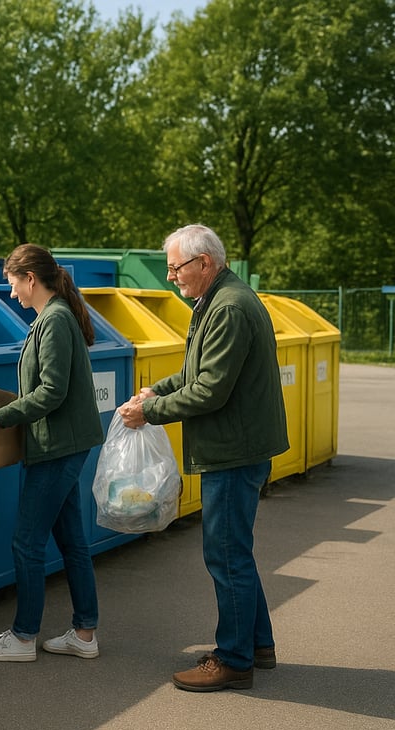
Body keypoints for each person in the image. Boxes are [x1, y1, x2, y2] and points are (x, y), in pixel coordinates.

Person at [118, 223, 287, 692]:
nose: (170, 277)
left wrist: (149, 412)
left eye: (175, 268)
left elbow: (210, 390)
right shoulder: (219, 300)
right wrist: (159, 389)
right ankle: (258, 645)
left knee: (226, 555)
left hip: (233, 452)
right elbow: (198, 371)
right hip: (237, 445)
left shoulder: (228, 307)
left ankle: (233, 659)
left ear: (204, 263)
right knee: (236, 553)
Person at [0, 244, 104, 663]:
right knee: (71, 540)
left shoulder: (55, 320)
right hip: (62, 443)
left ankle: (24, 637)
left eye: (12, 285)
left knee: (26, 543)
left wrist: (1, 417)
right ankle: (84, 633)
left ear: (30, 278)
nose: (11, 295)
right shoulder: (54, 316)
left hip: (56, 448)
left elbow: (52, 391)